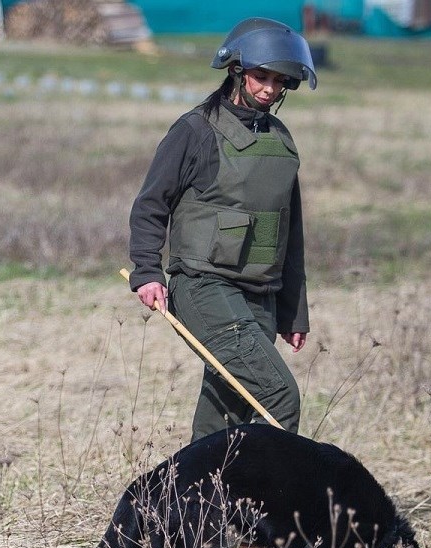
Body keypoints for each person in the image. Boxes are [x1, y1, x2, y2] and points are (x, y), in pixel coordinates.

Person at [127, 17, 316, 440]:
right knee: (277, 394)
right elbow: (151, 204)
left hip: (261, 294)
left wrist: (293, 310)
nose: (269, 88)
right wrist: (147, 272)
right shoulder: (194, 130)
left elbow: (290, 232)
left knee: (225, 410)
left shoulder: (281, 140)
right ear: (236, 70)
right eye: (260, 76)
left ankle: (200, 502)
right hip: (203, 286)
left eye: (279, 81)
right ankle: (277, 501)